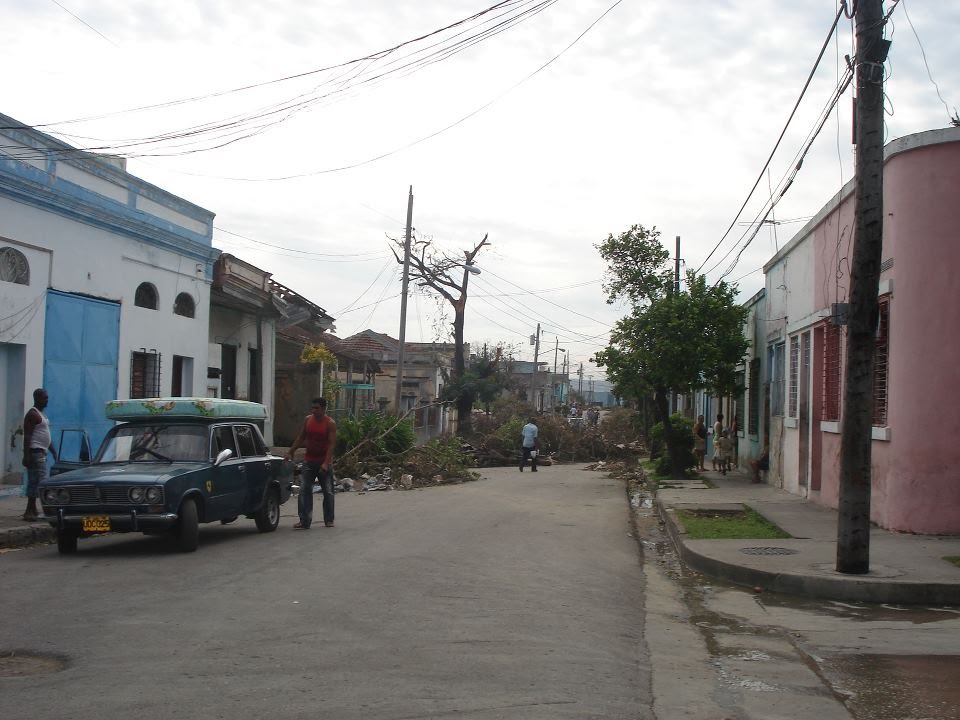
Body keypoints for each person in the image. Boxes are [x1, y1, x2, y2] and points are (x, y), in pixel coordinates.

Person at [286, 397, 337, 529]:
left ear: (324, 409)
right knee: (304, 490)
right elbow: (301, 437)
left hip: (323, 462)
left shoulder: (330, 423)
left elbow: (331, 445)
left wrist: (326, 463)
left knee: (328, 491)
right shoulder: (308, 420)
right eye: (312, 408)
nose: (314, 411)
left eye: (317, 408)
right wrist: (291, 451)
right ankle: (304, 520)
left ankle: (329, 519)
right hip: (309, 461)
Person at [22, 388, 56, 522]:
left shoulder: (42, 414)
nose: (47, 400)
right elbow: (28, 436)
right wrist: (26, 455)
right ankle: (42, 510)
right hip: (35, 453)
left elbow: (46, 435)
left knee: (35, 482)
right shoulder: (32, 414)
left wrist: (53, 451)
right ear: (37, 398)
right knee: (41, 482)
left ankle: (31, 510)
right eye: (45, 398)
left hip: (41, 451)